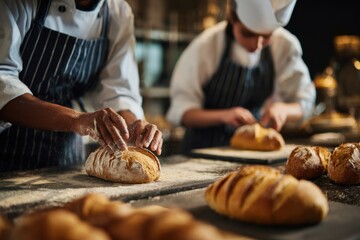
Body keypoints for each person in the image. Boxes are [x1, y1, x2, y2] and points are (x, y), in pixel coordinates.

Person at [0, 0, 163, 172]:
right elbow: (3, 84)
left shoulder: (118, 12)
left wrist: (132, 126)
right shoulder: (17, 2)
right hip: (8, 148)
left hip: (67, 153)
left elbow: (119, 90)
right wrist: (77, 120)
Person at [166, 0, 316, 153]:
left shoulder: (284, 45)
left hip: (252, 152)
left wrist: (282, 110)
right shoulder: (207, 46)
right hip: (201, 152)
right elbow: (181, 112)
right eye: (247, 33)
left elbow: (305, 102)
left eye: (266, 36)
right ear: (232, 17)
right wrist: (224, 116)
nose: (256, 45)